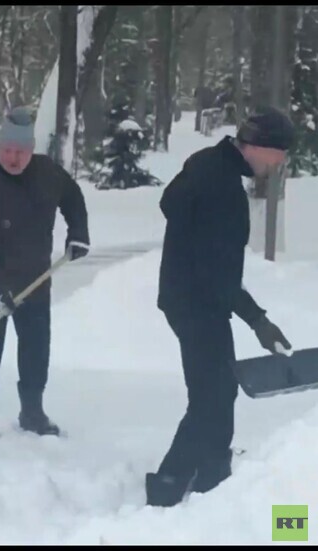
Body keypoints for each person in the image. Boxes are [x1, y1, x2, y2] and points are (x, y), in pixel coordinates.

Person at [146, 106, 295, 507]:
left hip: (189, 296)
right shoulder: (224, 190)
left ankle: (213, 470)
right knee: (211, 394)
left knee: (220, 386)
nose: (280, 163)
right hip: (198, 301)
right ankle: (167, 484)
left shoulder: (208, 164)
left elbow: (176, 213)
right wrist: (258, 320)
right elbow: (220, 272)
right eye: (279, 154)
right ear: (260, 147)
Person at [0, 106, 90, 447]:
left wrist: (78, 231)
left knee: (36, 346)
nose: (13, 158)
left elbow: (72, 198)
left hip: (35, 277)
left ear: (31, 150)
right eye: (6, 151)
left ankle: (32, 412)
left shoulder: (48, 174)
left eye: (20, 152)